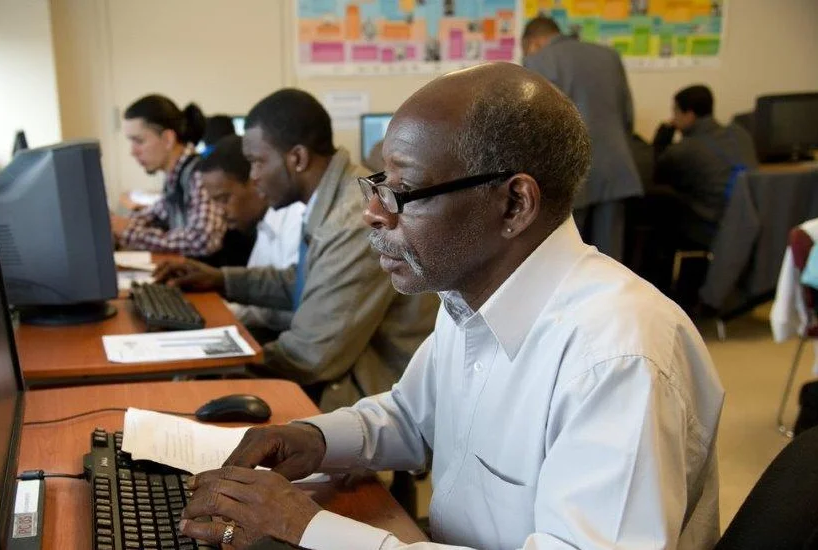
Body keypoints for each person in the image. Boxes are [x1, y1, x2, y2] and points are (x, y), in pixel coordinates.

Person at [175, 63, 725, 550]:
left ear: (514, 204)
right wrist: (315, 440)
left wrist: (310, 530)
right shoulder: (468, 293)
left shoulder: (618, 356)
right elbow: (412, 416)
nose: (373, 212)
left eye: (403, 190)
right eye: (377, 183)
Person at [155, 88, 439, 411]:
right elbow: (307, 283)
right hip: (346, 369)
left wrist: (214, 363)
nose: (253, 177)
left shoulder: (352, 219)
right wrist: (222, 279)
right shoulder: (333, 198)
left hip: (375, 395)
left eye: (257, 162)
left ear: (298, 159)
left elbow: (311, 356)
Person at [522, 16, 642, 261]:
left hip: (566, 174)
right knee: (610, 262)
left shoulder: (537, 61)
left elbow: (533, 126)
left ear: (533, 42)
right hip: (614, 170)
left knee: (566, 260)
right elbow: (627, 116)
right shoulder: (608, 56)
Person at [198, 134, 305, 333]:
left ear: (255, 182)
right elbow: (259, 308)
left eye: (224, 198)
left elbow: (300, 307)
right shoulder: (264, 224)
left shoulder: (297, 218)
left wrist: (224, 312)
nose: (220, 211)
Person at [110, 94, 227, 258]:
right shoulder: (175, 177)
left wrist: (129, 232)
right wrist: (117, 225)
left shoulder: (199, 174)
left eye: (139, 141)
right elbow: (156, 213)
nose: (133, 152)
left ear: (167, 139)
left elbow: (203, 240)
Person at [652, 84, 758, 249]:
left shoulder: (686, 148)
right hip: (754, 220)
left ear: (689, 115)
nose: (673, 118)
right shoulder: (740, 133)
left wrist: (662, 138)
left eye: (676, 112)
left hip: (714, 228)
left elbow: (658, 173)